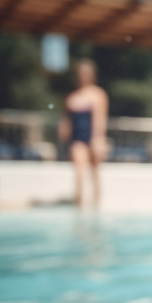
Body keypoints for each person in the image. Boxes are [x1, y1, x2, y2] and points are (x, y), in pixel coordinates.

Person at [58, 58, 109, 207]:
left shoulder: (98, 94)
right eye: (81, 73)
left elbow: (100, 119)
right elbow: (66, 119)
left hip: (93, 137)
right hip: (77, 139)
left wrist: (98, 139)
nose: (83, 76)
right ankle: (79, 203)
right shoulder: (72, 97)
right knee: (79, 172)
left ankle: (95, 204)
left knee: (94, 173)